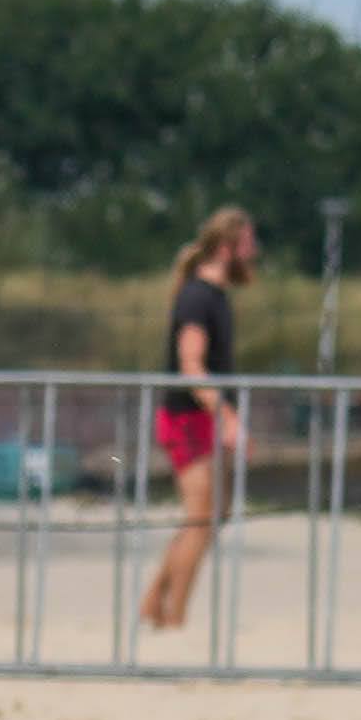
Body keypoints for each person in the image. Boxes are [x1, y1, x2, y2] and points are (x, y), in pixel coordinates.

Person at [139, 208, 256, 633]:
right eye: (248, 244)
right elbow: (192, 365)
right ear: (227, 248)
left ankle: (156, 601)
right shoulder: (197, 297)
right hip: (187, 417)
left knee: (211, 514)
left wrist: (229, 418)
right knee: (200, 517)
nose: (254, 252)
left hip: (200, 416)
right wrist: (226, 415)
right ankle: (172, 614)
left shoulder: (214, 296)